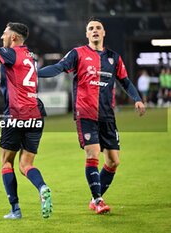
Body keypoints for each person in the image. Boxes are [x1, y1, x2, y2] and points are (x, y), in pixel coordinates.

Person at [38, 18, 146, 214]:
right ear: (87, 34)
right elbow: (58, 68)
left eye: (98, 28)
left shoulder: (114, 57)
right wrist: (34, 73)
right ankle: (97, 200)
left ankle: (95, 197)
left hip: (107, 116)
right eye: (91, 28)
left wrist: (137, 98)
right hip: (85, 113)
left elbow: (126, 81)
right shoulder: (77, 54)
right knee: (93, 153)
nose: (94, 30)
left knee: (113, 161)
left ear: (103, 33)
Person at [0, 22, 53, 219]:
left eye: (4, 34)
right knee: (26, 165)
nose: (1, 37)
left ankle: (15, 210)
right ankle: (42, 187)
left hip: (16, 114)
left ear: (14, 38)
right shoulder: (29, 56)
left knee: (6, 163)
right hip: (35, 113)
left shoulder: (10, 53)